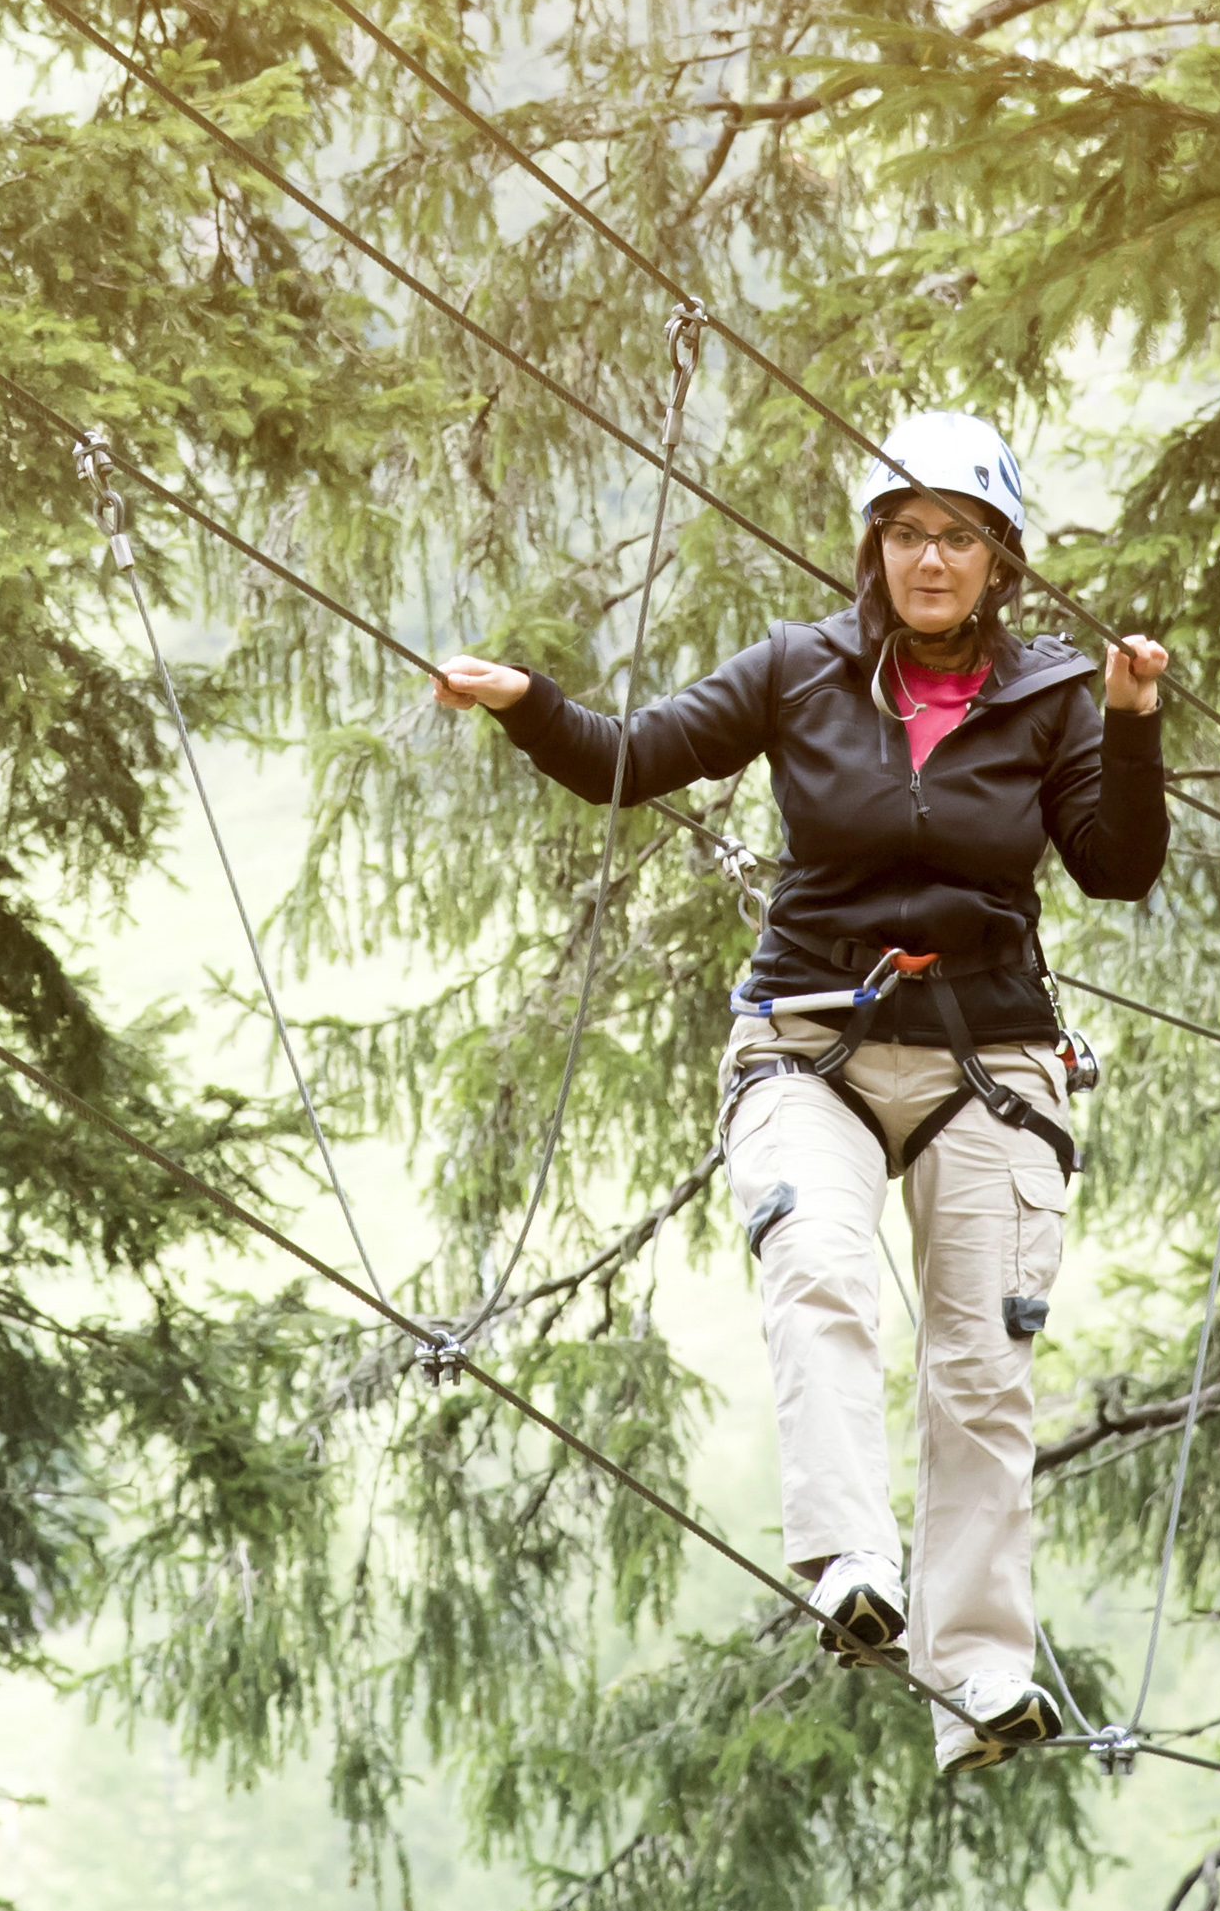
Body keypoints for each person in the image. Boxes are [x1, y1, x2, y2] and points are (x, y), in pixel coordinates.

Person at [432, 412, 1170, 1771]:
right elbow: (626, 759)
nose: (929, 557)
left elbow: (1116, 866)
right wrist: (524, 701)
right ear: (873, 549)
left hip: (988, 1056)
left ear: (1000, 558)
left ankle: (982, 1681)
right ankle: (849, 1571)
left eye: (957, 534)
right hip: (808, 1034)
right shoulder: (797, 672)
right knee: (819, 1271)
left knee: (980, 1369)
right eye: (906, 532)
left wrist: (1129, 730)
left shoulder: (1057, 694)